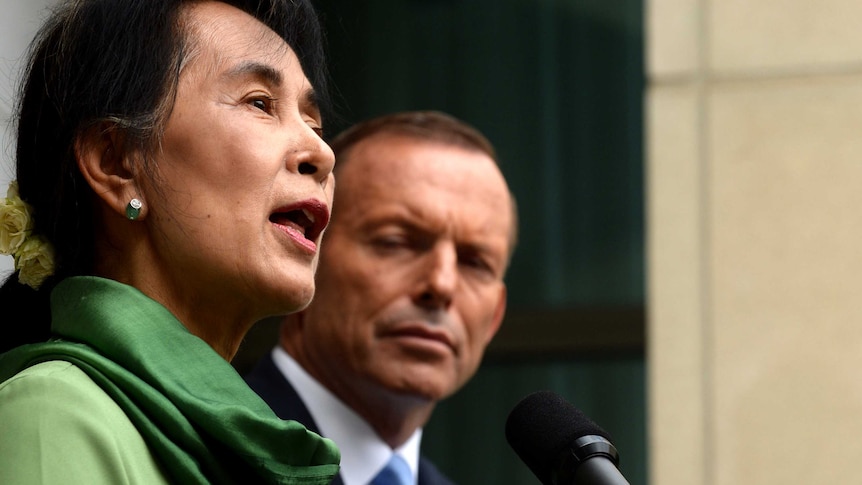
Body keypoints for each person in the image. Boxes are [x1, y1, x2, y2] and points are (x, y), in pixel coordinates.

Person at [0, 0, 343, 483]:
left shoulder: (239, 440)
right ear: (116, 163)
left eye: (315, 124)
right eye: (260, 103)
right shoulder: (52, 414)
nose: (322, 153)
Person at [244, 110, 518, 485]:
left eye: (475, 263)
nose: (441, 285)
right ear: (308, 255)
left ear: (495, 318)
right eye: (396, 242)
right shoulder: (194, 452)